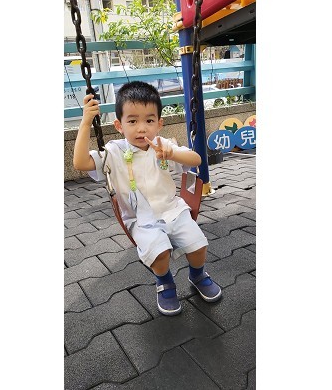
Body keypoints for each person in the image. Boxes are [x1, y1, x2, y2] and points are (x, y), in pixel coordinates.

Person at [73, 81, 222, 315]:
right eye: (132, 121)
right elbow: (80, 163)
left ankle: (197, 274)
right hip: (140, 218)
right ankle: (165, 282)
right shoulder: (113, 152)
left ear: (159, 123)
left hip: (173, 210)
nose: (142, 128)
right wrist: (85, 123)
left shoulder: (163, 145)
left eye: (149, 121)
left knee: (198, 244)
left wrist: (172, 154)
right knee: (159, 254)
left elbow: (196, 160)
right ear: (119, 125)